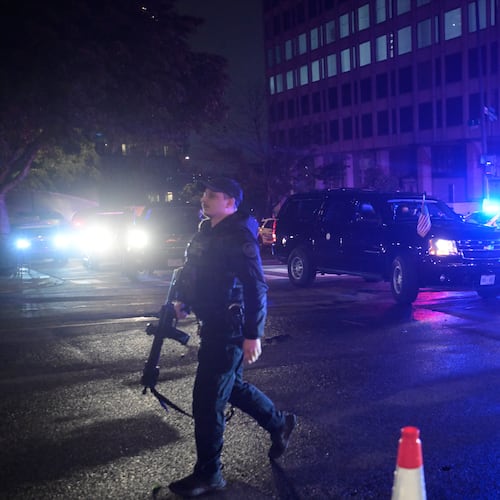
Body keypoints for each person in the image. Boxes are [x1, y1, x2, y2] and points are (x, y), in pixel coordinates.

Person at [169, 177, 297, 498]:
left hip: (230, 330)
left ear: (231, 203)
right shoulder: (205, 232)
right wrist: (180, 299)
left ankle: (209, 473)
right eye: (205, 193)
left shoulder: (239, 237)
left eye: (213, 195)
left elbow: (256, 287)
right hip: (211, 324)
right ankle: (279, 424)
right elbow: (190, 270)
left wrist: (253, 334)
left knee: (207, 399)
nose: (205, 199)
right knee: (233, 388)